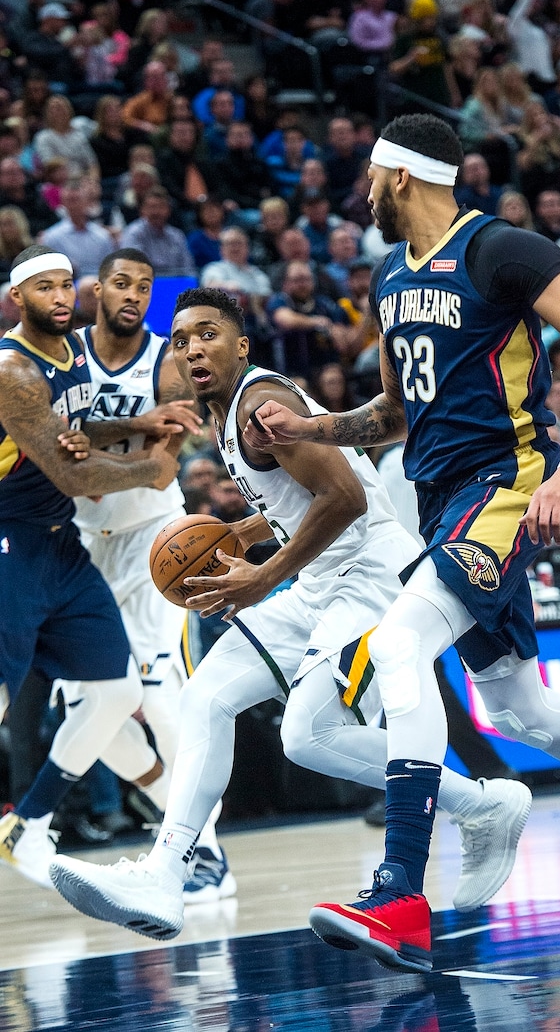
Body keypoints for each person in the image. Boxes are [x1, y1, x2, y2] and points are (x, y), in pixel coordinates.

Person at [239, 114, 560, 972]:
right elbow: (396, 409)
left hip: (511, 480)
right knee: (519, 708)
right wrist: (314, 425)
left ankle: (401, 888)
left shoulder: (501, 250)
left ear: (400, 177)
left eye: (372, 178)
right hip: (442, 492)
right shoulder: (388, 274)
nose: (364, 193)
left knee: (403, 642)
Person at [48, 285, 531, 939]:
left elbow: (346, 497)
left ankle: (479, 805)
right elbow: (303, 495)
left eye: (208, 333)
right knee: (206, 696)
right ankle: (166, 876)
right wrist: (250, 533)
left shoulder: (260, 404)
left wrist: (263, 574)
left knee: (308, 735)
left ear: (240, 345)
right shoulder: (222, 415)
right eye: (183, 337)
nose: (193, 347)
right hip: (317, 580)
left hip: (370, 579)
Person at [0, 244, 195, 888]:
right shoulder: (15, 369)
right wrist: (154, 464)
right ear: (16, 299)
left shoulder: (78, 356)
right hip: (14, 540)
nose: (58, 297)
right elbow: (68, 467)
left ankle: (28, 825)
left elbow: (76, 432)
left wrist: (134, 424)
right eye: (43, 288)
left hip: (72, 545)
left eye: (65, 285)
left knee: (120, 692)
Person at [67, 247, 231, 901]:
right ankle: (180, 830)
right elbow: (46, 434)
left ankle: (205, 854)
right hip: (80, 546)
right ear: (96, 289)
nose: (132, 295)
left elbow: (162, 471)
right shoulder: (61, 356)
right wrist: (103, 437)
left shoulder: (167, 358)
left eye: (144, 286)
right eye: (120, 284)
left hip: (154, 542)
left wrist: (80, 447)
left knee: (160, 699)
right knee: (89, 713)